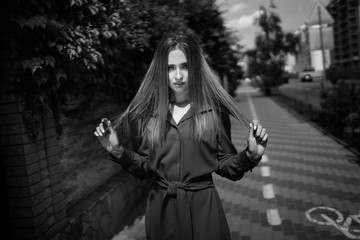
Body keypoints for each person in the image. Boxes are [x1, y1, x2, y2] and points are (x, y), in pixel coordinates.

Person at [94, 33, 268, 240]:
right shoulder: (147, 115)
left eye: (185, 66)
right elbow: (146, 168)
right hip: (162, 211)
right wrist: (117, 151)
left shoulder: (214, 111)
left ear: (195, 68)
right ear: (161, 71)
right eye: (170, 68)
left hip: (203, 209)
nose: (178, 76)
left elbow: (226, 166)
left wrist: (251, 156)